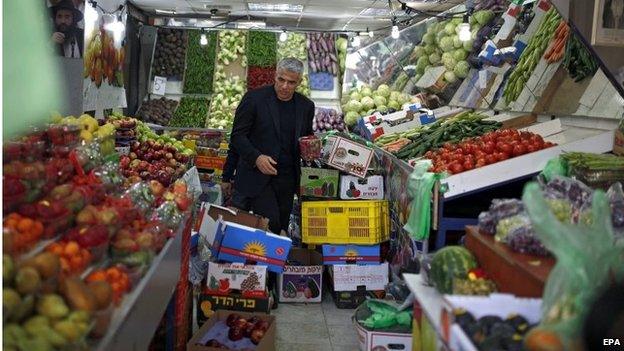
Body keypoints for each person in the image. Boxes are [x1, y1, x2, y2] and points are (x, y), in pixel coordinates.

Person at [229, 57, 314, 235]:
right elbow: (238, 136)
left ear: (299, 82)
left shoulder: (306, 106)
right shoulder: (254, 99)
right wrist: (256, 157)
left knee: (281, 226)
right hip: (257, 177)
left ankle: (273, 260)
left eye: (291, 82)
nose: (284, 86)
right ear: (275, 75)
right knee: (270, 225)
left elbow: (305, 138)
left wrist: (312, 146)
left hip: (287, 179)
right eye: (281, 79)